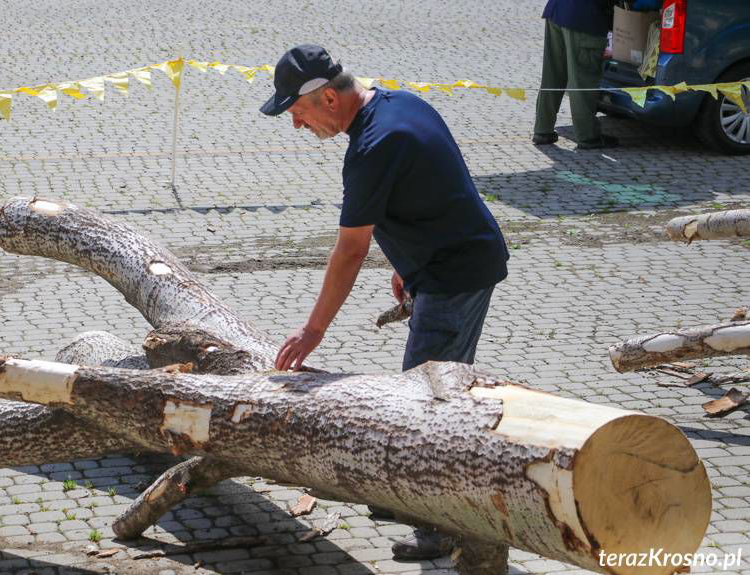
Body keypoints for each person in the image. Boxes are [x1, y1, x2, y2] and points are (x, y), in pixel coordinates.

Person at [260, 44, 509, 560]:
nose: (297, 126)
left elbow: (350, 250)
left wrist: (313, 332)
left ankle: (441, 525)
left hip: (456, 276)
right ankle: (413, 496)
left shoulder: (374, 147)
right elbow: (432, 189)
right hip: (444, 266)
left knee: (429, 404)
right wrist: (405, 266)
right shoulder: (401, 104)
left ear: (329, 97)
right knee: (424, 391)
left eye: (298, 112)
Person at [533, 0, 618, 149]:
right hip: (583, 18)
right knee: (583, 79)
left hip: (557, 10)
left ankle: (542, 130)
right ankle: (588, 136)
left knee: (552, 74)